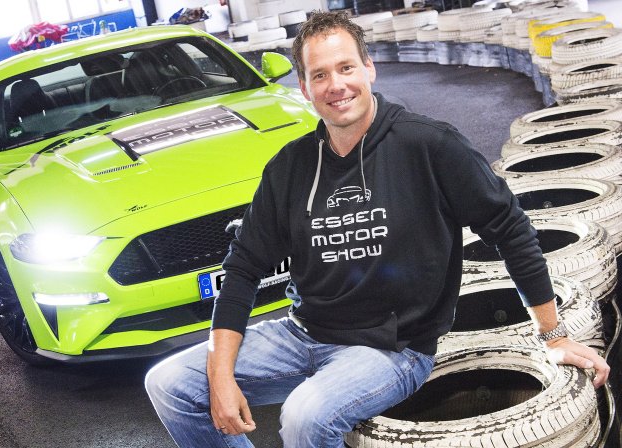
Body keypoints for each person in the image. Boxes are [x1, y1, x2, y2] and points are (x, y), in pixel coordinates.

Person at [145, 10, 610, 448]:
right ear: (304, 88)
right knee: (169, 383)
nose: (336, 85)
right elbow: (242, 267)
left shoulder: (430, 145)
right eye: (319, 75)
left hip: (394, 350)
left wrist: (552, 335)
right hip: (302, 335)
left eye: (346, 67)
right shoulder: (290, 166)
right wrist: (220, 375)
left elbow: (510, 230)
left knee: (306, 416)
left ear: (369, 68)